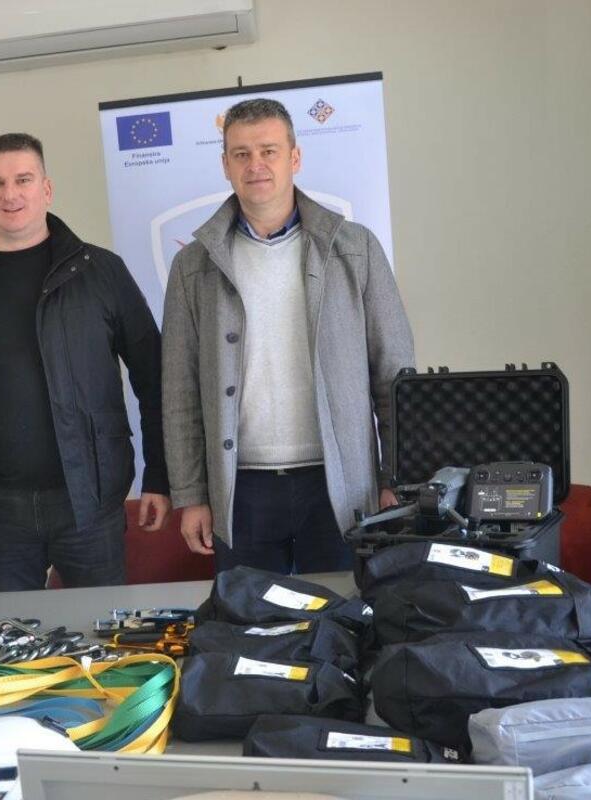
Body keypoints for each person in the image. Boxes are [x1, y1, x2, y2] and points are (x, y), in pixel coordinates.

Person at [162, 98, 415, 575]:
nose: (255, 165)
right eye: (241, 154)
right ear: (225, 165)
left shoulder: (355, 248)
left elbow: (394, 375)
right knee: (251, 618)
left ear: (294, 158)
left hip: (340, 486)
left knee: (343, 612)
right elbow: (180, 391)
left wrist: (397, 478)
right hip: (241, 490)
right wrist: (192, 494)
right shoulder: (193, 266)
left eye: (269, 151)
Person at [0, 133, 170, 592]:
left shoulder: (101, 271)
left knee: (102, 630)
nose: (10, 194)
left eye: (23, 180)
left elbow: (154, 378)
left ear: (47, 189)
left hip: (90, 501)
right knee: (17, 634)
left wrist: (159, 476)